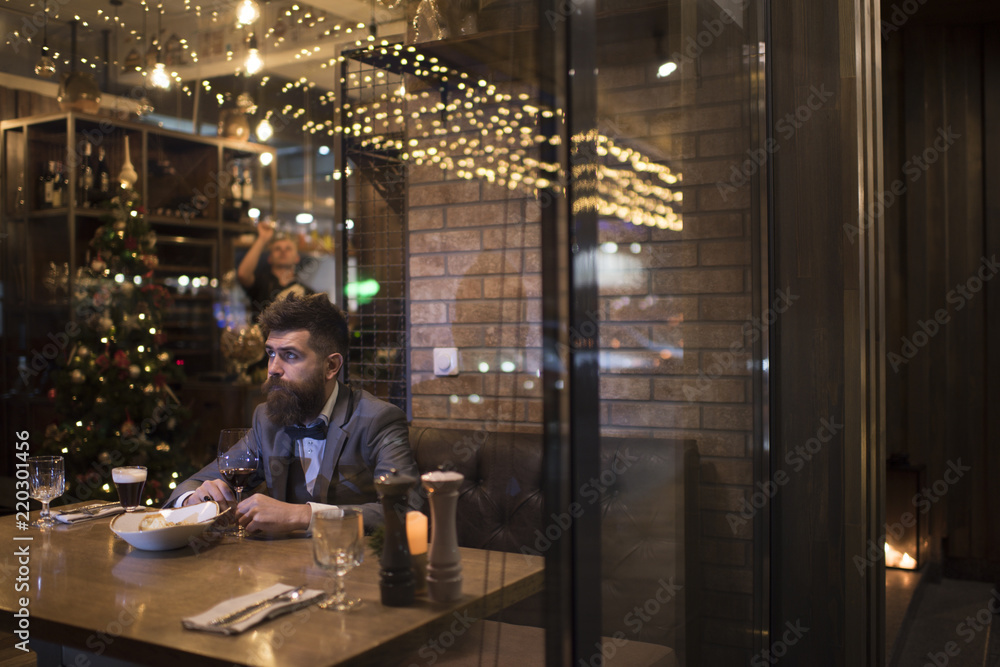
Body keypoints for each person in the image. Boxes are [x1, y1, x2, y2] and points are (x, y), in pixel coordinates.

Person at [166, 292, 420, 533]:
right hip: (282, 568)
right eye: (271, 354)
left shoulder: (378, 419)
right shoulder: (267, 419)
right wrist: (194, 499)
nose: (273, 368)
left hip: (353, 567)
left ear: (331, 366)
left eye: (290, 355)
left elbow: (407, 511)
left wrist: (301, 515)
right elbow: (191, 485)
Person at [237, 221, 312, 317]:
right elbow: (243, 274)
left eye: (288, 248)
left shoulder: (306, 292)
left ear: (297, 258)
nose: (283, 251)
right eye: (277, 249)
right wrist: (262, 239)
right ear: (269, 258)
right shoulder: (260, 283)